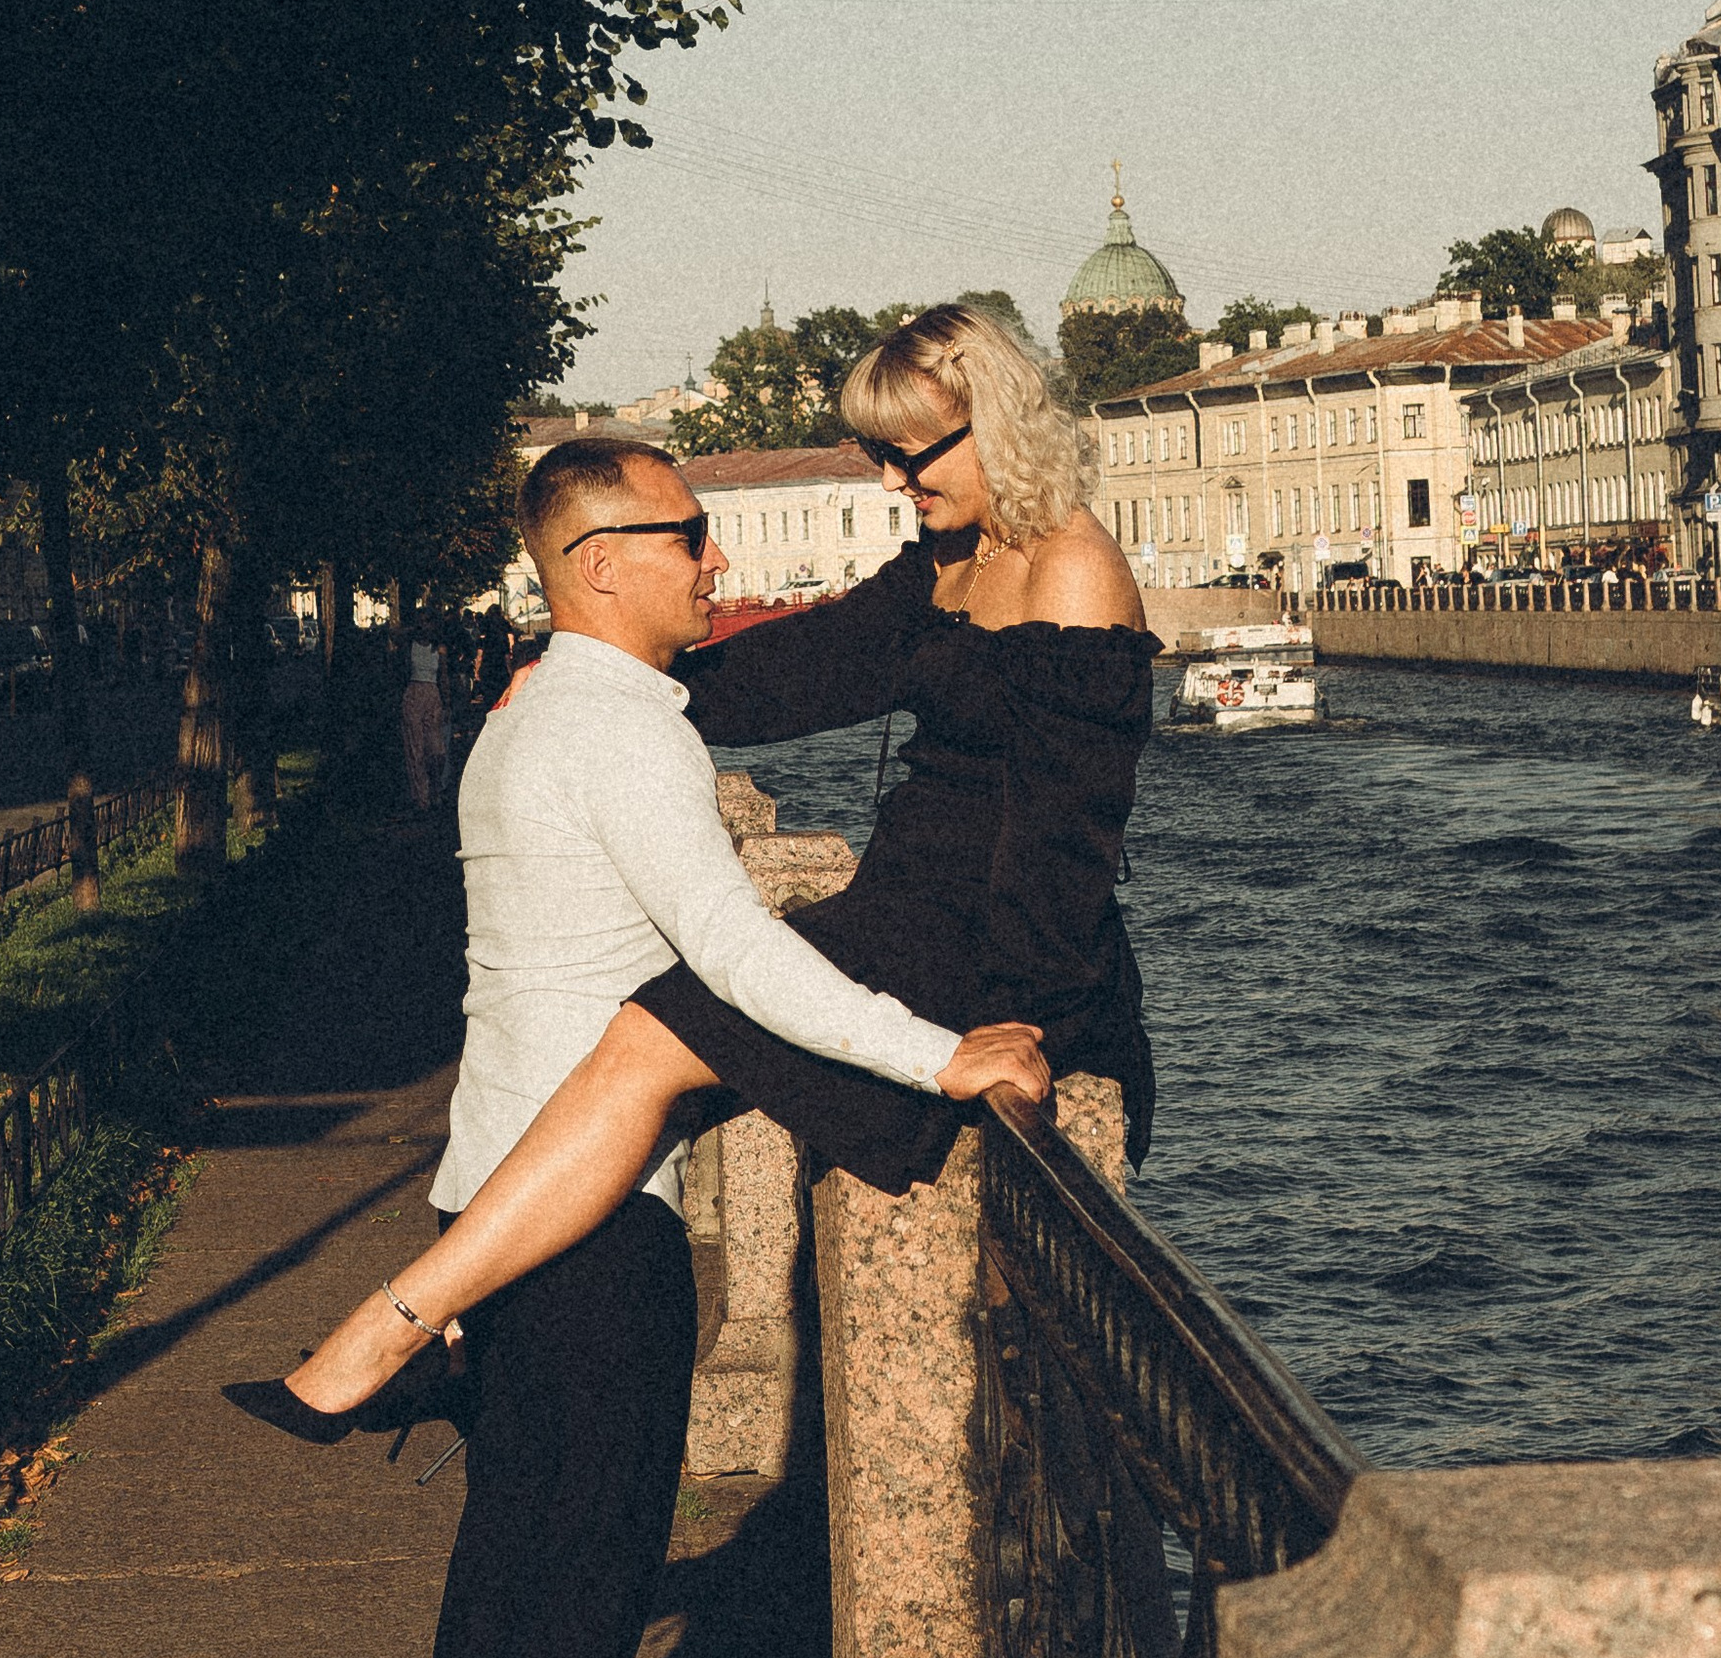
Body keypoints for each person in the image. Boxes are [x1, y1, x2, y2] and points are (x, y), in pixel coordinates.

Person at [227, 427, 1047, 1658]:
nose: (715, 563)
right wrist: (938, 1052)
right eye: (688, 537)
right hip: (594, 1227)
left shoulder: (536, 725)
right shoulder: (624, 736)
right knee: (584, 1576)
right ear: (600, 563)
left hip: (500, 1189)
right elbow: (737, 959)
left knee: (508, 1571)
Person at [267, 301, 1154, 1429]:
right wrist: (603, 672)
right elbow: (796, 672)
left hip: (988, 938)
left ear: (998, 424)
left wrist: (1012, 1023)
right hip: (906, 901)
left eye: (909, 452)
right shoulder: (947, 558)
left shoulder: (1073, 570)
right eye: (879, 453)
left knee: (646, 1043)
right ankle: (417, 1333)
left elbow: (1070, 839)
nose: (892, 479)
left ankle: (382, 1339)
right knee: (641, 1044)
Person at [401, 619, 447, 813]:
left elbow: (443, 676)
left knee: (436, 750)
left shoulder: (439, 649)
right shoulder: (409, 647)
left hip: (432, 694)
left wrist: (447, 702)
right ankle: (421, 797)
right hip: (414, 692)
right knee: (415, 748)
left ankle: (435, 789)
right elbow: (395, 634)